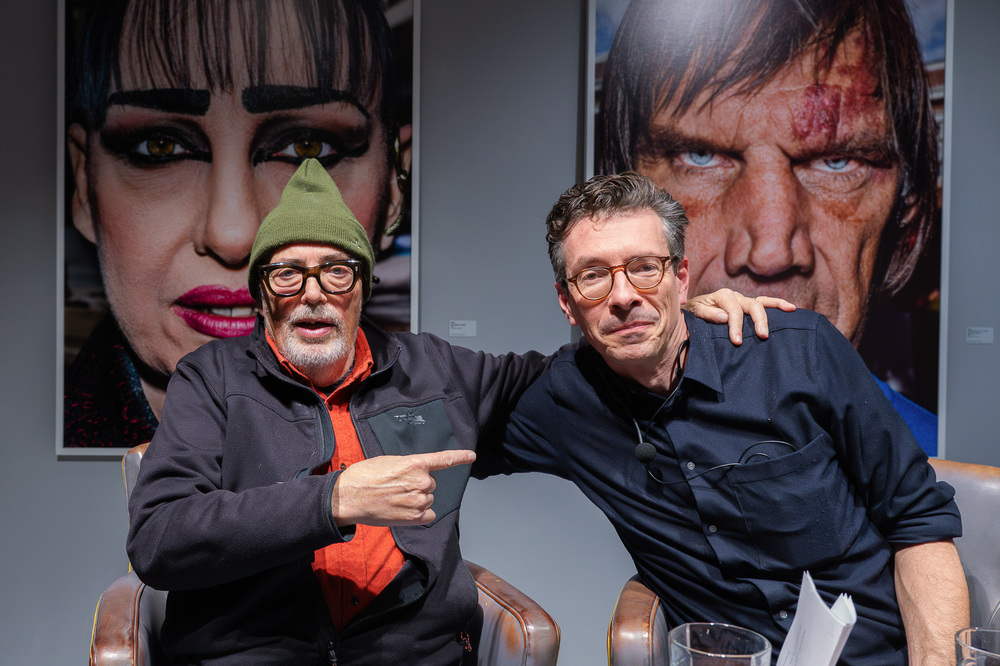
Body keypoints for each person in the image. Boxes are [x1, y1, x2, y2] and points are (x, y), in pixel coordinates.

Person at [126, 160, 778, 664]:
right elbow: (159, 540)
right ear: (263, 294)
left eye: (336, 272)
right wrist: (335, 499)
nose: (313, 295)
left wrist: (672, 319)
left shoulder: (433, 371)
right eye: (287, 274)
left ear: (362, 286)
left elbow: (564, 375)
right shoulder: (212, 380)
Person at [481, 173, 968, 663]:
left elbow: (918, 519)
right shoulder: (565, 399)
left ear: (681, 277)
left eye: (645, 268)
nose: (623, 295)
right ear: (567, 303)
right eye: (592, 276)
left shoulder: (800, 352)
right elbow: (448, 414)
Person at [63, 0, 412, 448]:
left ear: (394, 187)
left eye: (308, 148)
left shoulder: (440, 392)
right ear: (84, 185)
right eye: (160, 147)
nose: (233, 236)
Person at [596, 0, 940, 453]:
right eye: (700, 156)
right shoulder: (575, 440)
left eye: (837, 161)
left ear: (905, 210)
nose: (771, 252)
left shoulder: (951, 478)